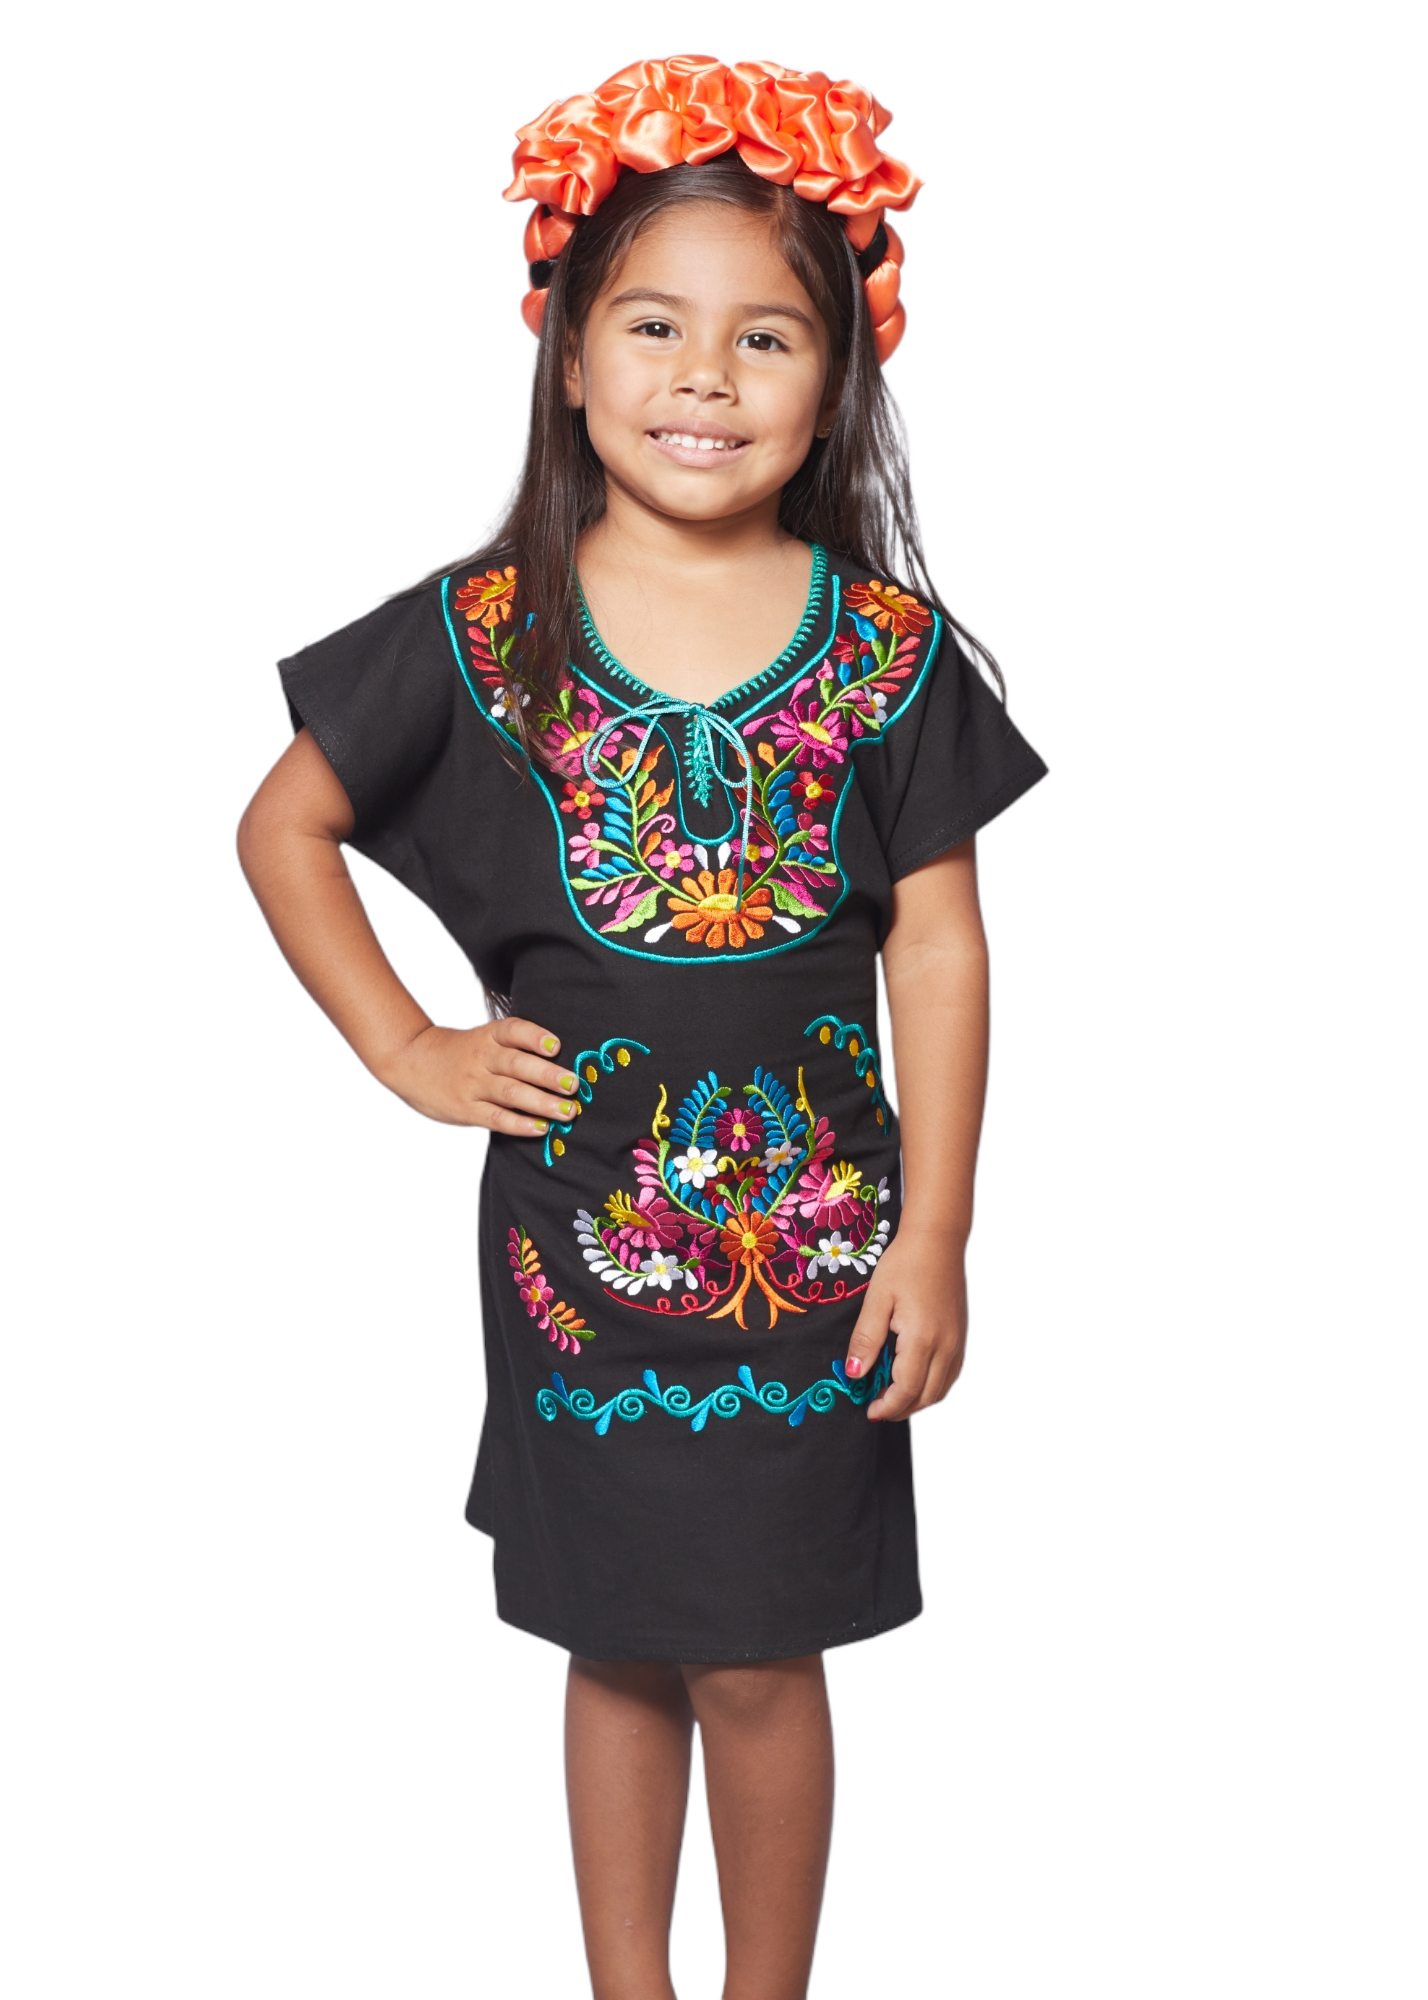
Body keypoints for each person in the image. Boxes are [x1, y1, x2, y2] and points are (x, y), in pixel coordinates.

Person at [239, 55, 1046, 2000]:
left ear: (838, 379)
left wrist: (938, 1229)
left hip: (814, 1260)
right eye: (655, 326)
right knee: (613, 1637)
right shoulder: (485, 633)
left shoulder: (887, 655)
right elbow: (283, 828)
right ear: (570, 357)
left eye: (766, 336)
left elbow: (939, 951)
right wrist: (411, 1050)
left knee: (759, 1655)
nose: (707, 376)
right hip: (582, 1256)